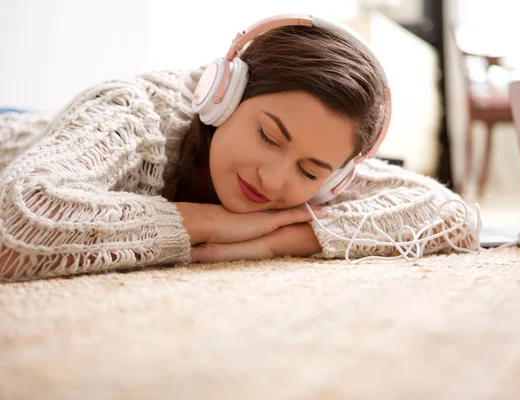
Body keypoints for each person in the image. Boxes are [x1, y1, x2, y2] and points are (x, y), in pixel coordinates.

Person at [0, 15, 478, 282]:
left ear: (337, 177)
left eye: (311, 172)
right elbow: (19, 219)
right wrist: (211, 223)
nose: (274, 179)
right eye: (269, 136)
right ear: (222, 94)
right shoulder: (133, 110)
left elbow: (450, 215)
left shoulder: (320, 168)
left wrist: (273, 240)